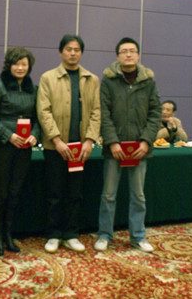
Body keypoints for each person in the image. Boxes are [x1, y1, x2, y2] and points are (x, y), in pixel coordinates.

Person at [95, 38, 160, 253]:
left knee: (138, 196)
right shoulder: (108, 81)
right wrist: (113, 142)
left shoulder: (148, 82)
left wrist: (146, 141)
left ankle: (138, 236)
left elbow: (155, 113)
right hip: (114, 150)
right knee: (108, 195)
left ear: (138, 55)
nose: (129, 54)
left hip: (140, 150)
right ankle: (104, 235)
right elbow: (104, 114)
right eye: (124, 51)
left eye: (132, 51)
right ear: (118, 56)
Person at [37, 34, 100, 253]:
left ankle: (71, 234)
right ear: (60, 52)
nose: (72, 53)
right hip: (55, 147)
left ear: (81, 53)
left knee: (75, 193)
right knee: (54, 193)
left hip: (80, 147)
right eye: (68, 49)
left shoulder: (91, 79)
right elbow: (43, 111)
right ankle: (54, 234)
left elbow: (96, 112)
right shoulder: (48, 78)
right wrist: (56, 140)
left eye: (76, 50)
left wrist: (89, 141)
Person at [0, 47, 40, 256]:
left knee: (15, 191)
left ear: (29, 67)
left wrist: (35, 135)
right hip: (4, 146)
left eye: (24, 64)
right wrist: (9, 135)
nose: (20, 68)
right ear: (9, 65)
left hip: (24, 147)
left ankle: (8, 234)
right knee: (0, 192)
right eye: (16, 64)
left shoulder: (33, 89)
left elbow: (39, 117)